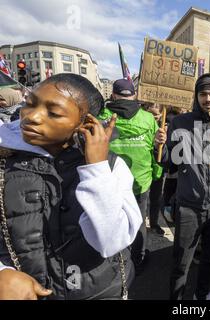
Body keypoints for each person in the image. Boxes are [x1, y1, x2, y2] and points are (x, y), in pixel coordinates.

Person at [0, 73, 141, 300]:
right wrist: (2, 273)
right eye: (29, 104)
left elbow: (110, 242)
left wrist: (96, 170)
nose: (32, 117)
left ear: (84, 123)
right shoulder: (4, 160)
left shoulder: (112, 167)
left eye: (53, 113)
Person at [154, 74, 210, 300]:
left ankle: (202, 294)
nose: (208, 99)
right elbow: (169, 163)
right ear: (196, 96)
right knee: (181, 263)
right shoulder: (179, 122)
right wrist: (160, 147)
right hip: (188, 207)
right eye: (203, 94)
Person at [98, 79, 162, 271]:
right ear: (134, 95)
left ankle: (114, 262)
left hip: (110, 181)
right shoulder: (148, 118)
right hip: (140, 181)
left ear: (113, 95)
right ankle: (138, 258)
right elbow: (155, 148)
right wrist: (158, 143)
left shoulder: (102, 116)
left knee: (110, 220)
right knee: (138, 220)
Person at [143, 102, 166, 236]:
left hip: (157, 168)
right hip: (143, 168)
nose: (154, 118)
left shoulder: (164, 126)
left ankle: (154, 223)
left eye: (156, 116)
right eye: (151, 114)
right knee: (142, 199)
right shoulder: (141, 124)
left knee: (156, 198)